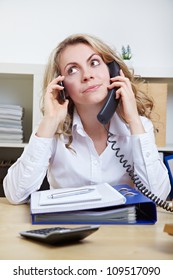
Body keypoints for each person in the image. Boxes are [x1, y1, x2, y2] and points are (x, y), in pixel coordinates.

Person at [3, 33, 171, 204]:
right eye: (72, 70)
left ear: (112, 71)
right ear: (62, 87)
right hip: (68, 228)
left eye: (94, 62)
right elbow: (16, 195)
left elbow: (158, 196)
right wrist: (50, 121)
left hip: (123, 227)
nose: (87, 75)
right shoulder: (51, 128)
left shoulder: (139, 126)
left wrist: (134, 120)